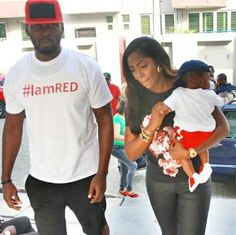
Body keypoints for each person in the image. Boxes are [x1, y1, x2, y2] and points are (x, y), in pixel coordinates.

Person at [1, 0, 113, 235]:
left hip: (85, 175)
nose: (45, 32)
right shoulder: (17, 74)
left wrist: (101, 174)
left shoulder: (86, 67)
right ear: (27, 30)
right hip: (42, 179)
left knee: (97, 229)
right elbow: (12, 128)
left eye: (51, 26)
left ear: (62, 27)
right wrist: (6, 179)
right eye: (38, 27)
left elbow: (105, 121)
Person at [122, 36, 229, 235]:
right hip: (158, 184)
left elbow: (223, 129)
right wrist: (152, 126)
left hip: (195, 178)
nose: (138, 75)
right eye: (133, 70)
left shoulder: (185, 86)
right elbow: (130, 153)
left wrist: (191, 151)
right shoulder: (134, 99)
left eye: (143, 65)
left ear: (158, 61)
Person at [142, 60, 223, 192]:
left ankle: (192, 176)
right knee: (203, 147)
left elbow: (164, 107)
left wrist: (156, 110)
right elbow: (220, 102)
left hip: (186, 134)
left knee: (182, 156)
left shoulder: (178, 93)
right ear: (200, 81)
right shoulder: (209, 94)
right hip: (206, 134)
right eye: (209, 78)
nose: (211, 81)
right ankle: (206, 164)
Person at [111, 98, 139, 198]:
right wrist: (128, 138)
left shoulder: (125, 118)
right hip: (116, 147)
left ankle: (122, 189)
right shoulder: (117, 118)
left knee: (125, 168)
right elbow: (115, 135)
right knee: (133, 165)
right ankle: (129, 189)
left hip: (123, 147)